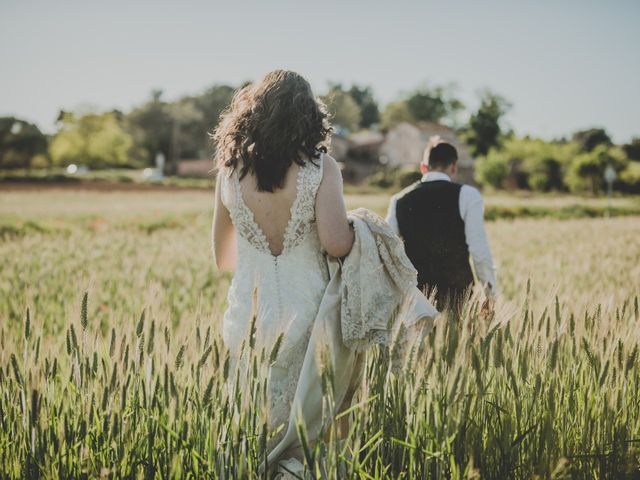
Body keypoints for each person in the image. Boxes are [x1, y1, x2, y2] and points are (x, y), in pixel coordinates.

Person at [211, 69, 354, 446]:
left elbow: (222, 258)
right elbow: (337, 242)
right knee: (309, 421)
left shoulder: (228, 172)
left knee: (252, 411)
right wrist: (364, 231)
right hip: (308, 305)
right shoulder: (321, 168)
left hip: (250, 310)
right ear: (308, 116)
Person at [385, 139, 497, 312]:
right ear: (454, 166)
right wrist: (490, 295)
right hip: (458, 301)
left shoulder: (398, 200)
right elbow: (479, 252)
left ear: (423, 167)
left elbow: (387, 253)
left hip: (414, 304)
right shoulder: (468, 195)